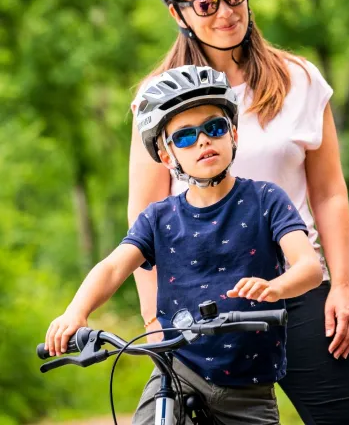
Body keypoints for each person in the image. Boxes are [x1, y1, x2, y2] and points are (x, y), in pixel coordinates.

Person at [130, 0, 349, 423]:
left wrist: (342, 286)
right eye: (206, 3)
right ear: (178, 14)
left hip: (299, 294)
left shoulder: (301, 79)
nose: (225, 11)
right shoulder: (155, 98)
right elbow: (144, 214)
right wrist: (154, 317)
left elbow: (329, 193)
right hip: (199, 307)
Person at [45, 65, 324, 424]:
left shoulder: (266, 199)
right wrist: (76, 312)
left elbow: (309, 267)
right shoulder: (158, 218)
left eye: (214, 127)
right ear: (166, 156)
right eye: (186, 136)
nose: (204, 140)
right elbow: (114, 267)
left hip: (249, 388)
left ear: (233, 134)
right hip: (178, 372)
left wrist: (276, 287)